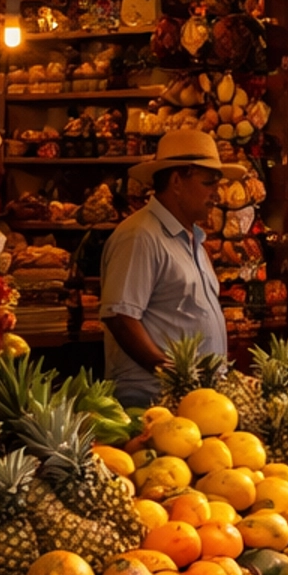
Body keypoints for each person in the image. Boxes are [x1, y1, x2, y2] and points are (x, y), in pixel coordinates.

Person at [98, 130, 229, 406]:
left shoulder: (193, 239)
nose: (217, 195)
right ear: (177, 181)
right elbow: (120, 316)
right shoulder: (140, 236)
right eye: (209, 184)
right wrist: (169, 371)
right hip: (153, 401)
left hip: (193, 401)